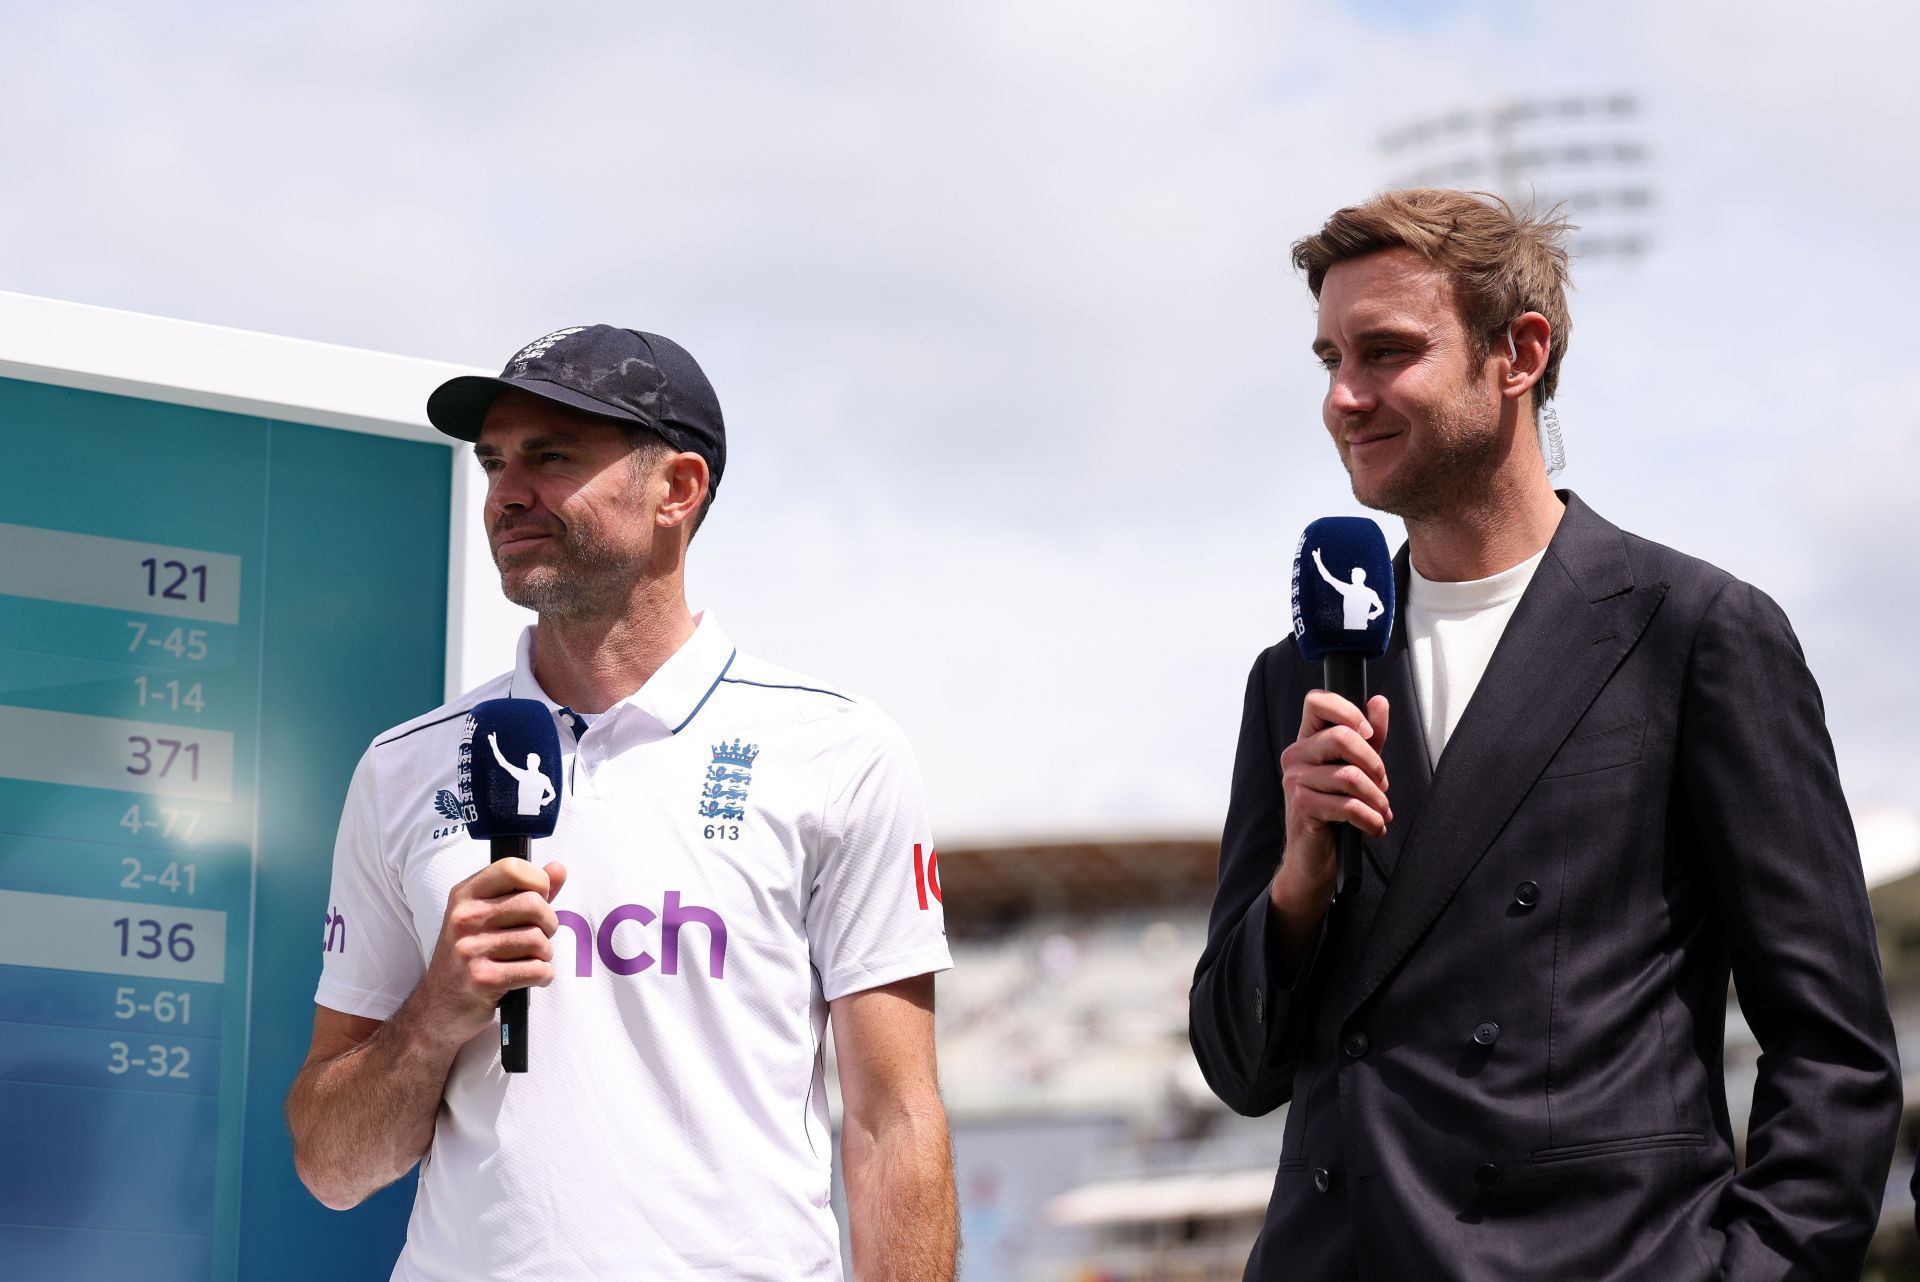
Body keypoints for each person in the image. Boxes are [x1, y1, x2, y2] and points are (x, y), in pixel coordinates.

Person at [1187, 190, 1900, 1279]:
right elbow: (1241, 1072)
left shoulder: (1697, 632)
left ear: (1517, 353)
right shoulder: (1296, 674)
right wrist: (1296, 884)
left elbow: (1833, 1048)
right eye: (1329, 356)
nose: (1343, 396)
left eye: (1385, 352)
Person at [286, 325, 958, 1282]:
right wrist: (435, 1011)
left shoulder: (838, 752)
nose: (507, 492)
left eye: (550, 456)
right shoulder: (405, 767)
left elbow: (895, 1123)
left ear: (676, 490)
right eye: (493, 462)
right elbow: (332, 1168)